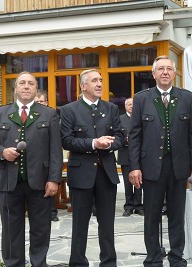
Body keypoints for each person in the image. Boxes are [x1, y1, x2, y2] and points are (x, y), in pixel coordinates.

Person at [129, 55, 192, 267]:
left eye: (169, 69)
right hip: (151, 167)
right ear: (153, 74)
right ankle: (153, 258)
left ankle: (176, 257)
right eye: (160, 69)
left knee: (177, 215)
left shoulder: (187, 98)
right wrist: (134, 167)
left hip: (179, 168)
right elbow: (134, 136)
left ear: (174, 73)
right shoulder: (142, 99)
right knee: (151, 215)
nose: (165, 72)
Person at [0, 71, 63, 267]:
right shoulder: (1, 113)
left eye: (30, 83)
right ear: (16, 89)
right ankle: (13, 264)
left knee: (40, 229)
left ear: (36, 89)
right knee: (11, 230)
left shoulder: (49, 113)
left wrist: (54, 179)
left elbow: (55, 150)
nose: (26, 86)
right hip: (9, 182)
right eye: (22, 83)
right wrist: (2, 152)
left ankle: (38, 263)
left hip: (40, 182)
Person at [60, 69, 124, 266]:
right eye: (94, 80)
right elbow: (67, 141)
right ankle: (78, 263)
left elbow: (121, 137)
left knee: (107, 224)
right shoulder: (69, 110)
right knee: (80, 224)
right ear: (83, 86)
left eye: (101, 80)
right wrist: (94, 143)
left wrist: (109, 144)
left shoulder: (111, 109)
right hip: (81, 175)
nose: (99, 84)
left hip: (106, 174)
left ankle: (109, 262)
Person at [34, 89, 60, 222]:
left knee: (50, 187)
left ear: (46, 102)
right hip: (34, 164)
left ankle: (52, 212)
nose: (39, 103)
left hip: (49, 161)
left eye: (41, 101)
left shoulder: (51, 115)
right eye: (36, 101)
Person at [118, 98, 143, 217]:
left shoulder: (141, 117)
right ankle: (128, 206)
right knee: (128, 183)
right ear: (125, 106)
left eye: (133, 104)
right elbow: (116, 136)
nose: (131, 106)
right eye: (129, 104)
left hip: (140, 154)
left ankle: (138, 206)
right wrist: (124, 140)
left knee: (139, 181)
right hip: (125, 153)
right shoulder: (120, 119)